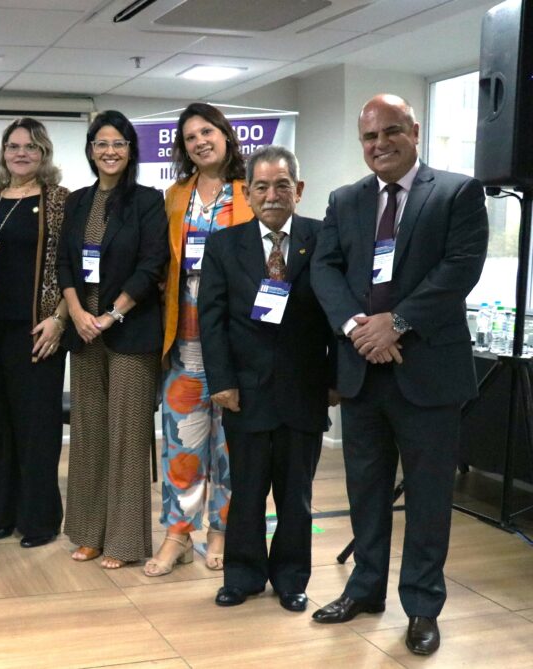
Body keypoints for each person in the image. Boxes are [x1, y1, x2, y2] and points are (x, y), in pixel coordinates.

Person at [310, 94, 488, 655]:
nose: (380, 144)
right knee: (365, 491)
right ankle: (365, 590)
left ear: (414, 130)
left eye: (391, 132)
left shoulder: (457, 192)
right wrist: (356, 326)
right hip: (363, 369)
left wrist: (399, 323)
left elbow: (460, 267)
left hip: (428, 374)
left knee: (430, 498)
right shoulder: (346, 199)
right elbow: (326, 266)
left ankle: (422, 606)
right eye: (369, 137)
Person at [198, 145, 337, 610]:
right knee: (248, 489)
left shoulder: (323, 239)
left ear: (298, 190)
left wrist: (335, 377)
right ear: (247, 192)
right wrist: (221, 381)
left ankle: (292, 578)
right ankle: (242, 575)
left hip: (305, 388)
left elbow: (339, 313)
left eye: (282, 185)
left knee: (295, 495)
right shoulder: (224, 244)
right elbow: (211, 319)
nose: (272, 195)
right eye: (262, 186)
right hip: (245, 390)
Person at [57, 110, 169, 569]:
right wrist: (80, 315)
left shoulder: (147, 201)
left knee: (126, 437)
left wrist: (110, 315)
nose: (109, 151)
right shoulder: (77, 201)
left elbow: (151, 265)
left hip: (130, 332)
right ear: (90, 149)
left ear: (130, 150)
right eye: (101, 143)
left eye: (118, 143)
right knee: (88, 436)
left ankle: (124, 541)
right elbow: (64, 264)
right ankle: (88, 533)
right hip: (85, 333)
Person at [147, 102, 253, 577]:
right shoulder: (174, 197)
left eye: (207, 132)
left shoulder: (251, 193)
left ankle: (223, 530)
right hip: (184, 343)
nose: (200, 142)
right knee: (183, 448)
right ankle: (177, 535)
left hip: (235, 345)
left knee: (230, 449)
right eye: (190, 137)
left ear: (226, 136)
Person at [0, 118, 70, 548]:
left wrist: (61, 318)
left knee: (36, 430)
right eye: (13, 146)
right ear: (3, 153)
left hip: (39, 330)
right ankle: (1, 515)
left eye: (30, 146)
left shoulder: (61, 202)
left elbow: (74, 270)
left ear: (43, 153)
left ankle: (40, 521)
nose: (21, 153)